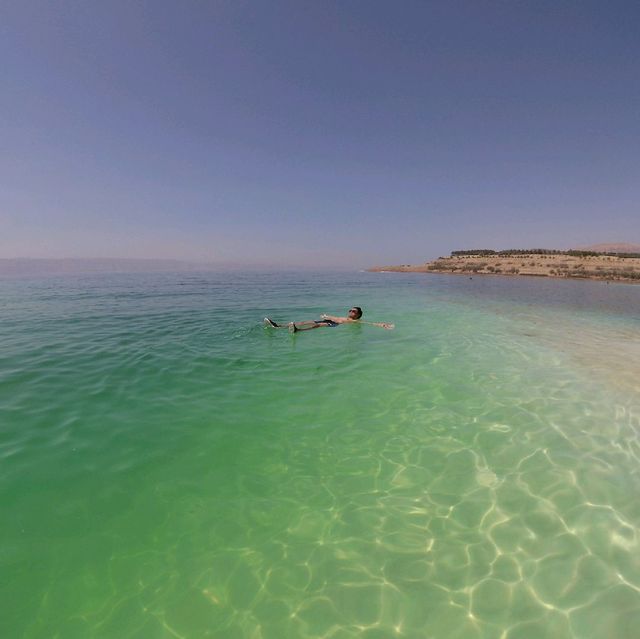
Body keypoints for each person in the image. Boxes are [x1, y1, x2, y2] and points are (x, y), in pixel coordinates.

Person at [264, 307, 394, 332]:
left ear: (358, 315)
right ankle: (278, 326)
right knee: (307, 322)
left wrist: (381, 324)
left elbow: (368, 323)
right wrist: (326, 316)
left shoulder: (356, 321)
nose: (351, 312)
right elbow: (335, 317)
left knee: (319, 325)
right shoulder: (344, 317)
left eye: (354, 311)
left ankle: (298, 331)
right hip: (332, 321)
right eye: (350, 310)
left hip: (334, 325)